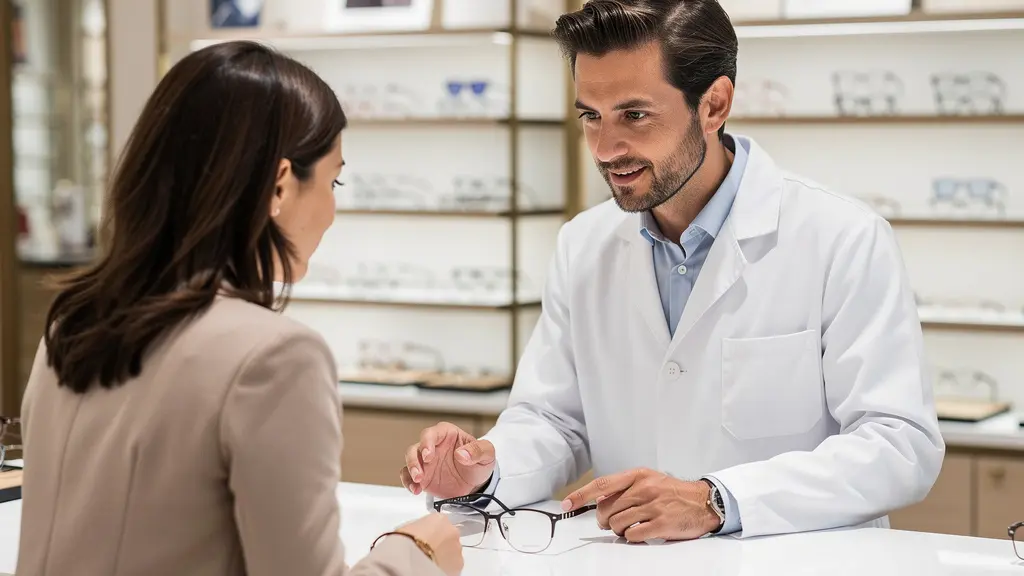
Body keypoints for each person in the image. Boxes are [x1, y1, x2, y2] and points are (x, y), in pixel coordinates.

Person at [401, 0, 945, 542]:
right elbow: (555, 421)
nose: (606, 148)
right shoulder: (583, 245)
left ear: (714, 104)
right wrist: (486, 469)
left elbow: (898, 444)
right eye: (591, 115)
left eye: (635, 115)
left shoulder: (842, 237)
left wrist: (718, 500)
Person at [16, 41, 462, 576]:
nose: (333, 210)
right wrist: (415, 554)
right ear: (279, 186)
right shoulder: (274, 358)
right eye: (333, 180)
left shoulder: (73, 324)